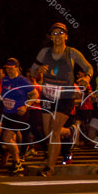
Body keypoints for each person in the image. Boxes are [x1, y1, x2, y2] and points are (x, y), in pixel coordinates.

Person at [29, 22, 91, 176]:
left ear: (66, 36)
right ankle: (69, 131)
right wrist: (38, 70)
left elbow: (88, 67)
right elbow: (32, 71)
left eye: (60, 33)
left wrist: (87, 78)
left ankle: (50, 167)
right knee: (47, 132)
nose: (57, 36)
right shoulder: (44, 52)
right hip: (48, 96)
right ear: (50, 37)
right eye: (54, 33)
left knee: (54, 131)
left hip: (65, 97)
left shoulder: (71, 53)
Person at [0, 58, 36, 175]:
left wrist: (26, 106)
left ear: (17, 68)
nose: (8, 70)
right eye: (7, 68)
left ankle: (18, 162)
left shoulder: (23, 81)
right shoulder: (4, 80)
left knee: (7, 138)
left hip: (19, 113)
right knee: (8, 139)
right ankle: (18, 159)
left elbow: (35, 94)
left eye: (11, 68)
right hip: (8, 113)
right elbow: (1, 94)